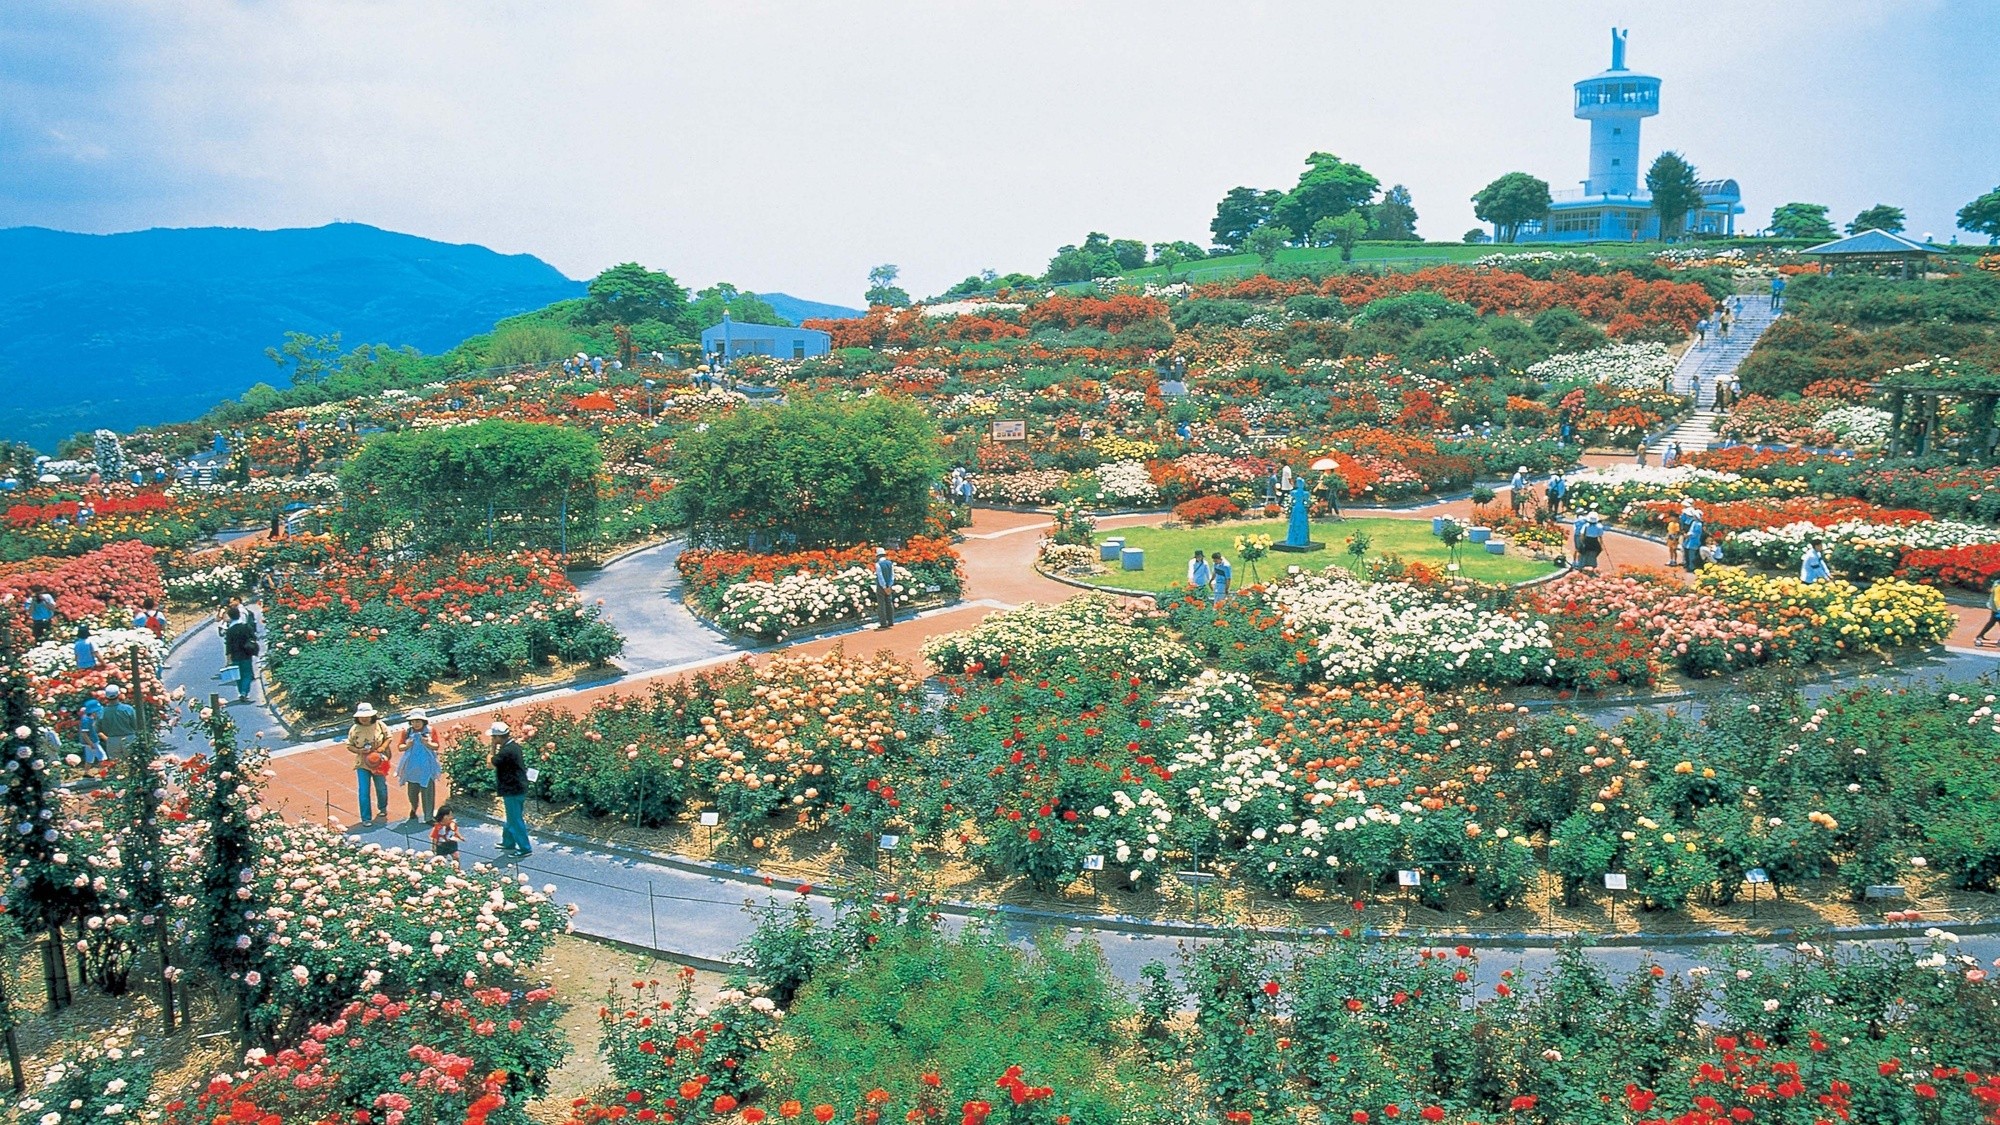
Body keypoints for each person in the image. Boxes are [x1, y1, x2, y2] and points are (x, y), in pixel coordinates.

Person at [490, 721, 532, 858]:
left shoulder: (506, 752)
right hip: (517, 787)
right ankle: (508, 842)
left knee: (515, 819)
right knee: (511, 817)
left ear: (498, 737)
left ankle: (525, 848)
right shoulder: (514, 746)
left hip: (513, 789)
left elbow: (490, 764)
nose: (492, 739)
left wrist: (492, 748)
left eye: (493, 737)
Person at [347, 701, 392, 826]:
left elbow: (389, 737)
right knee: (364, 790)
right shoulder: (354, 729)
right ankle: (366, 818)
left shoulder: (380, 725)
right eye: (362, 717)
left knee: (381, 787)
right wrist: (359, 750)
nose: (364, 719)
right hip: (362, 763)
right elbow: (349, 745)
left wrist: (382, 748)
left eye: (367, 716)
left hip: (379, 761)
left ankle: (382, 807)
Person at [396, 707, 443, 823]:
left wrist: (428, 743)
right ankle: (413, 808)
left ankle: (428, 816)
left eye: (418, 721)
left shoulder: (430, 730)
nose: (416, 724)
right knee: (412, 792)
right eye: (413, 721)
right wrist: (407, 745)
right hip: (412, 766)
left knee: (428, 792)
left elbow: (436, 746)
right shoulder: (406, 732)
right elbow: (400, 747)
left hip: (426, 765)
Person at [222, 607, 259, 702]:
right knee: (247, 674)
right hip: (246, 654)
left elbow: (228, 645)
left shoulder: (230, 630)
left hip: (235, 655)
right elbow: (253, 637)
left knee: (238, 675)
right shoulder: (246, 627)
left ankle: (240, 692)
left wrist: (228, 658)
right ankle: (244, 692)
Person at [97, 683, 139, 758]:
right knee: (132, 761)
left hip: (113, 740)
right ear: (119, 695)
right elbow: (135, 725)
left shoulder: (102, 712)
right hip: (129, 738)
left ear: (106, 697)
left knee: (115, 763)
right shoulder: (128, 709)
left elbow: (98, 728)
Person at [872, 547, 898, 630]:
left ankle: (883, 622)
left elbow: (880, 576)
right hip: (889, 585)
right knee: (889, 602)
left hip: (881, 586)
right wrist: (889, 585)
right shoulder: (890, 563)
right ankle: (891, 621)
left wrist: (883, 586)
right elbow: (892, 575)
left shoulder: (878, 564)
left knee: (881, 604)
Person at [78, 691, 105, 765]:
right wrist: (91, 743)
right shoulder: (86, 720)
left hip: (93, 740)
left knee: (90, 758)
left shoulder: (92, 719)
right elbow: (84, 734)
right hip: (91, 741)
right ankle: (105, 771)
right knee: (102, 756)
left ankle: (86, 772)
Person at [1976, 578, 2000, 648]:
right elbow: (1996, 599)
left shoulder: (1997, 583)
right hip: (1997, 608)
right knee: (1992, 622)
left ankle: (1980, 636)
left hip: (1995, 608)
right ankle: (1979, 637)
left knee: (1992, 622)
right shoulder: (1998, 585)